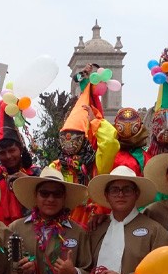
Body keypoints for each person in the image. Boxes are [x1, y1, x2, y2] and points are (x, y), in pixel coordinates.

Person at [47, 80, 119, 227]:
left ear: (84, 139)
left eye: (74, 136)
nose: (69, 140)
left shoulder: (96, 165)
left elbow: (110, 144)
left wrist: (96, 122)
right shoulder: (56, 167)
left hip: (92, 226)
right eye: (65, 136)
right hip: (63, 229)